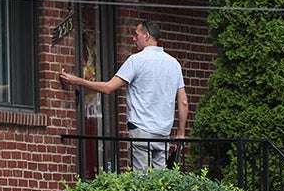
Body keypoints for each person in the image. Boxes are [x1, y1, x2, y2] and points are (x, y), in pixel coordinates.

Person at [59, 20, 188, 171]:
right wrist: (180, 133)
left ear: (146, 36)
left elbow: (108, 88)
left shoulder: (136, 60)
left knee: (141, 183)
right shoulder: (174, 64)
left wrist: (77, 80)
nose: (133, 39)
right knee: (160, 184)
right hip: (164, 134)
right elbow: (183, 101)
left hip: (141, 132)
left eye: (136, 35)